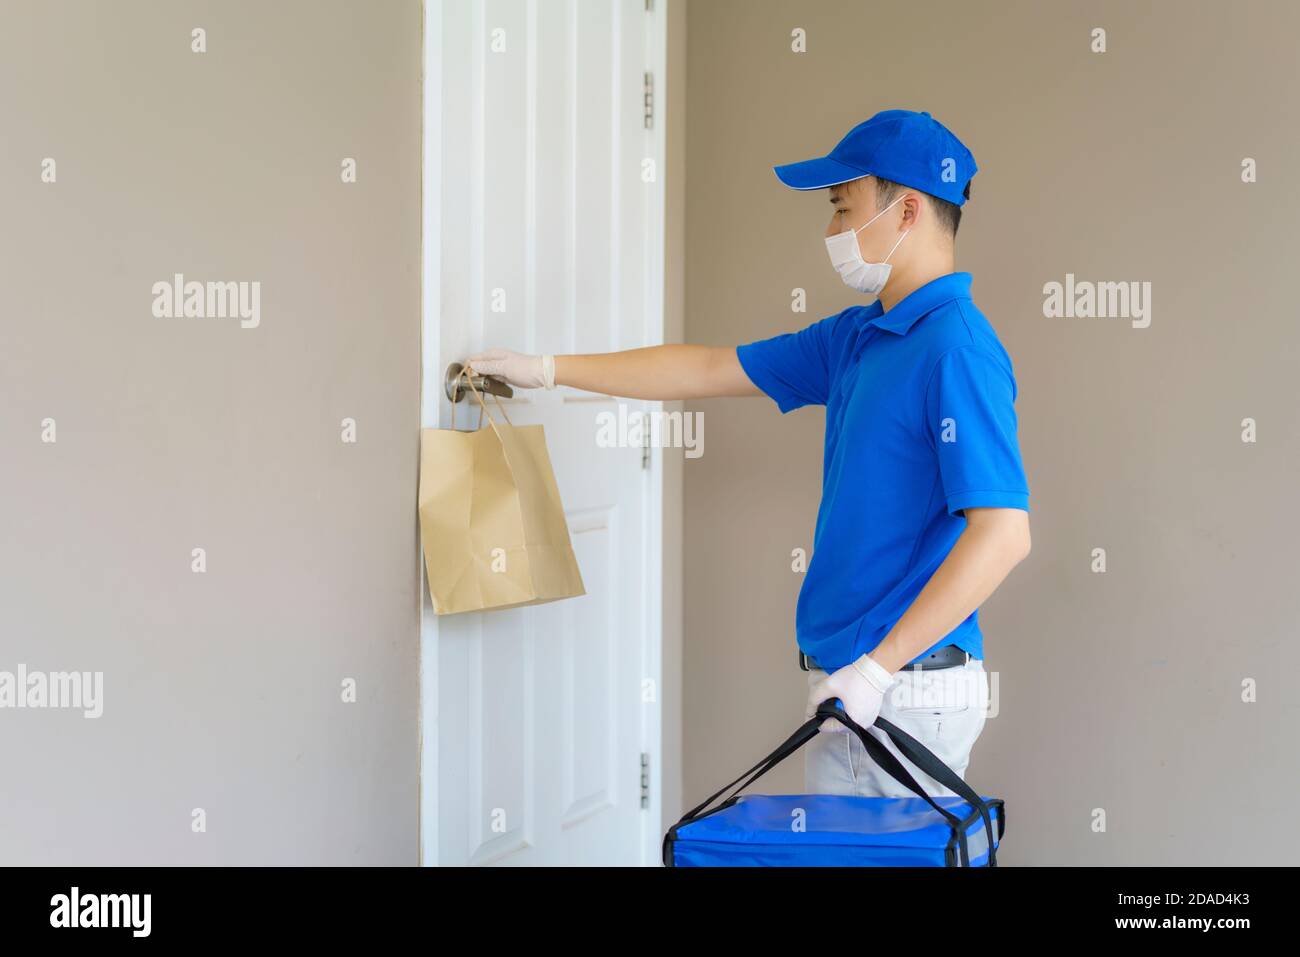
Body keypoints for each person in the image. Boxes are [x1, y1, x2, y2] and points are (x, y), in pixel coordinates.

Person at [468, 109, 1031, 799]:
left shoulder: (956, 349)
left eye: (841, 207)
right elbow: (706, 369)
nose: (831, 231)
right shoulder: (860, 337)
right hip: (861, 689)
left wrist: (878, 670)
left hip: (903, 693)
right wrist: (548, 369)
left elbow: (1004, 534)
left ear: (907, 210)